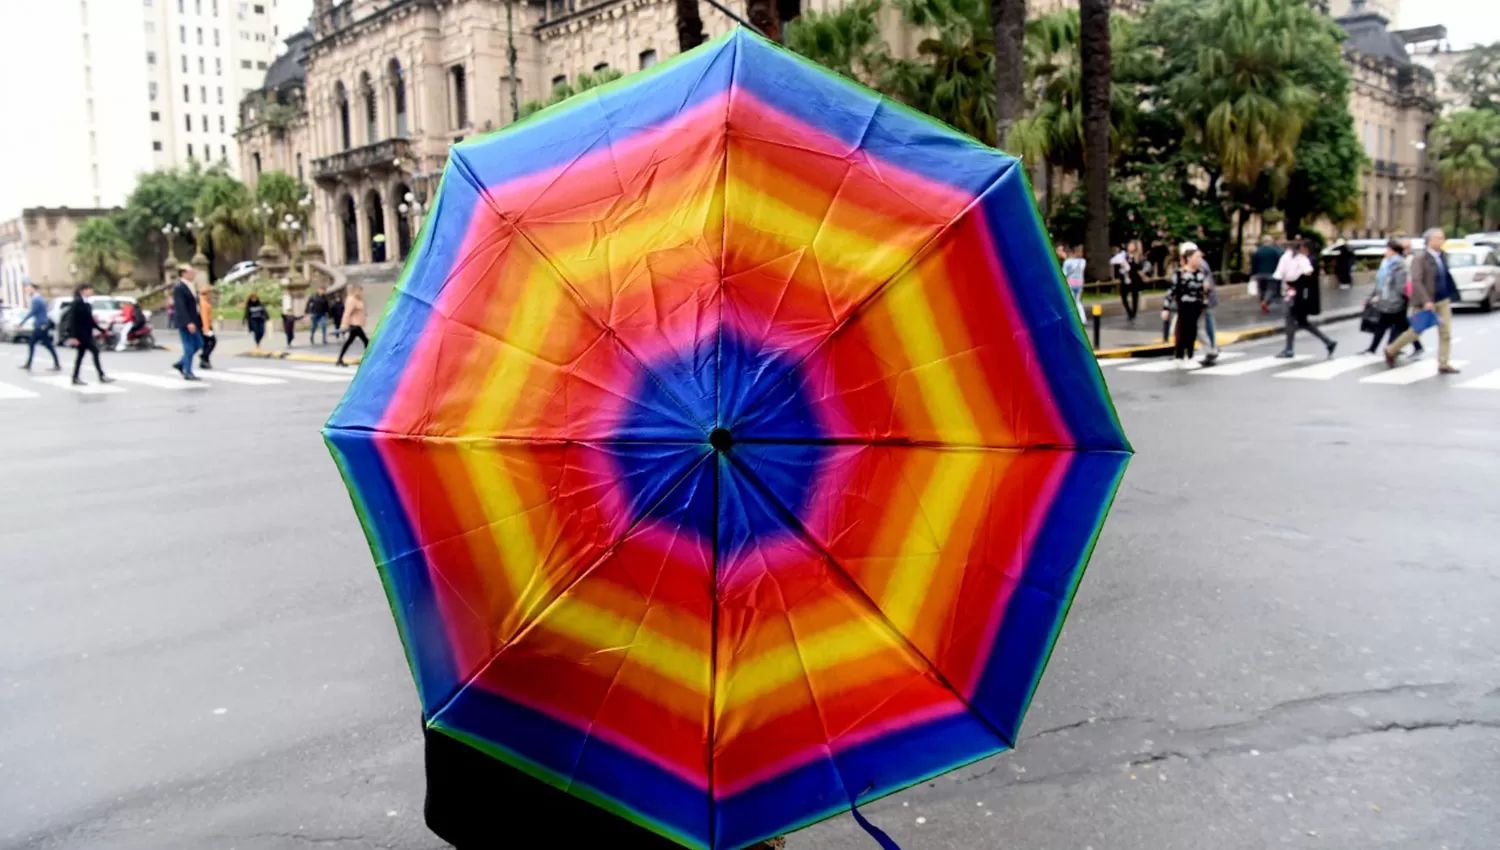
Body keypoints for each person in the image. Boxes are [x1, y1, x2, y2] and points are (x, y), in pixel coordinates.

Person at [1384, 227, 1460, 373]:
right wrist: (1426, 300)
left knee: (1446, 333)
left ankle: (1443, 363)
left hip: (1443, 300)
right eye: (1439, 238)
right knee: (1415, 331)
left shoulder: (1442, 256)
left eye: (1442, 238)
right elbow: (1417, 281)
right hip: (1426, 301)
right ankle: (1391, 350)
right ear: (1430, 240)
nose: (1442, 240)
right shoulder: (1420, 258)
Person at [1276, 240, 1336, 359]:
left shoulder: (1308, 261)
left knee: (1290, 320)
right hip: (1301, 295)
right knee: (1301, 322)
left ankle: (1289, 349)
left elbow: (1303, 277)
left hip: (1300, 296)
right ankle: (1328, 342)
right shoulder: (1308, 260)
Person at [1364, 239, 1421, 356]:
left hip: (1396, 301)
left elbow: (1400, 286)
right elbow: (1381, 282)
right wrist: (1376, 295)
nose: (1387, 252)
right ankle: (1373, 348)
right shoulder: (1388, 263)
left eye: (1389, 250)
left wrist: (1398, 298)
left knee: (1399, 325)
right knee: (1387, 324)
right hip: (1388, 300)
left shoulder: (1399, 265)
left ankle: (1381, 348)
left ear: (1394, 251)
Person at [1167, 249, 1210, 367]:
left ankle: (1188, 355)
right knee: (1184, 330)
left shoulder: (1200, 273)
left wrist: (1206, 290)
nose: (1199, 260)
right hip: (1184, 305)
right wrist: (1166, 308)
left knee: (1192, 331)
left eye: (1200, 258)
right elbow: (1172, 290)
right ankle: (1181, 355)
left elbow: (1204, 290)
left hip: (1197, 305)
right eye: (1197, 257)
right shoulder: (1180, 273)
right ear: (1189, 258)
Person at [1178, 241, 1219, 364]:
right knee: (1202, 326)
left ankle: (1211, 349)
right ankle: (1210, 349)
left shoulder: (1199, 266)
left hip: (1199, 301)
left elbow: (1205, 285)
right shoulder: (1199, 264)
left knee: (1201, 327)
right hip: (1200, 301)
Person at [67, 284, 114, 386]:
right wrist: (73, 336)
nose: (91, 291)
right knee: (94, 352)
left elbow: (90, 321)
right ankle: (100, 375)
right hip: (81, 335)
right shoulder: (77, 302)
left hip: (87, 334)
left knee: (81, 356)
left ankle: (75, 377)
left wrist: (101, 330)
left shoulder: (87, 303)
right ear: (82, 291)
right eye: (89, 290)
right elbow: (72, 320)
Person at [18, 282, 60, 371]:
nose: (26, 290)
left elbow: (32, 312)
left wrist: (21, 322)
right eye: (26, 288)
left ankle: (29, 364)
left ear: (33, 289)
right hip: (42, 325)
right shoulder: (38, 298)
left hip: (40, 326)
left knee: (33, 343)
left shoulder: (36, 300)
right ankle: (56, 364)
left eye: (28, 288)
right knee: (46, 345)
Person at [171, 265, 203, 380]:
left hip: (195, 320)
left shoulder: (190, 285)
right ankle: (187, 371)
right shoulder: (179, 287)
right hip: (186, 322)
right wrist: (188, 322)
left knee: (199, 343)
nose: (193, 274)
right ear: (183, 273)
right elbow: (180, 307)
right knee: (188, 346)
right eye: (190, 272)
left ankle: (181, 363)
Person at [336, 285, 368, 367]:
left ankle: (339, 359)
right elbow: (347, 313)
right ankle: (367, 361)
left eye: (360, 290)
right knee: (366, 341)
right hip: (354, 325)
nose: (359, 292)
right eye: (357, 290)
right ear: (353, 291)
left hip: (357, 324)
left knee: (349, 342)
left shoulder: (358, 299)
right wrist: (343, 325)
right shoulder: (351, 300)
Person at [1250, 235, 1282, 313]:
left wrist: (1253, 273)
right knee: (1271, 289)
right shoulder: (1275, 251)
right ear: (1271, 242)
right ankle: (1265, 302)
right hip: (1271, 274)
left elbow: (1254, 264)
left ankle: (1262, 302)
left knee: (1261, 289)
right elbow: (1279, 262)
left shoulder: (1258, 251)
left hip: (1259, 274)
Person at [1061, 244, 1086, 323]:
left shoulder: (1067, 262)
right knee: (1078, 301)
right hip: (1079, 283)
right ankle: (1083, 319)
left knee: (1070, 301)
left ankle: (1071, 319)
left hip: (1070, 283)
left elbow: (1064, 274)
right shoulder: (1083, 261)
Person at [197, 284, 217, 370]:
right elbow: (204, 317)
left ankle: (205, 361)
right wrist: (206, 329)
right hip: (205, 327)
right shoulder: (203, 303)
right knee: (212, 342)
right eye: (210, 293)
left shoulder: (203, 301)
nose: (211, 295)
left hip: (205, 326)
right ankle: (204, 357)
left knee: (206, 344)